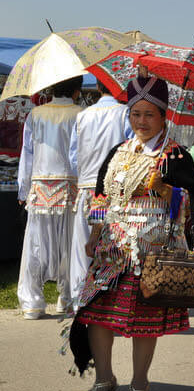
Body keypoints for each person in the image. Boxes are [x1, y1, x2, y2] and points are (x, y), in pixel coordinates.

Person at [69, 76, 194, 391]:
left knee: (143, 321)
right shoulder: (119, 151)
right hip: (112, 250)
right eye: (135, 114)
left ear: (163, 116)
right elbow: (101, 197)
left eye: (148, 115)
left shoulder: (175, 156)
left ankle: (139, 386)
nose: (140, 122)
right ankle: (103, 380)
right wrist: (95, 235)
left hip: (151, 252)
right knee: (96, 316)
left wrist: (166, 190)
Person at [17, 76, 83, 319]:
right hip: (69, 186)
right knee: (69, 245)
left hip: (41, 186)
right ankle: (66, 297)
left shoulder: (36, 114)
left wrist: (23, 189)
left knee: (35, 245)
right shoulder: (79, 114)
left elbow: (28, 153)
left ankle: (32, 302)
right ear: (77, 91)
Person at [68, 81, 133, 309]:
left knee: (82, 249)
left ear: (96, 86)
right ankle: (106, 302)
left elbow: (73, 157)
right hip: (113, 191)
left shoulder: (83, 115)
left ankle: (80, 302)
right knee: (111, 249)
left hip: (87, 189)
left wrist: (87, 175)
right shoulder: (125, 114)